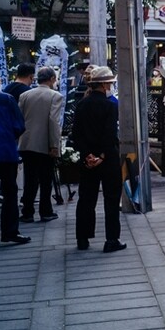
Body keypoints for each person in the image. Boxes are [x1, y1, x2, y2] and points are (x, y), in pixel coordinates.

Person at [71, 66, 126, 253]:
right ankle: (111, 239)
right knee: (111, 198)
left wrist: (88, 155)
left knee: (86, 198)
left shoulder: (81, 105)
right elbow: (109, 134)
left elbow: (76, 134)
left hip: (87, 159)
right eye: (109, 83)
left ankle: (82, 237)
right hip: (107, 157)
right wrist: (101, 156)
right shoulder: (111, 105)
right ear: (103, 84)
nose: (110, 86)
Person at [0, 65, 30, 247]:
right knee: (10, 192)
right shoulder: (6, 99)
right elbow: (19, 125)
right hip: (5, 151)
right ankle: (10, 231)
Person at [18, 67, 64, 223]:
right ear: (51, 79)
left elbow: (20, 118)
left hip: (27, 142)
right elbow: (53, 122)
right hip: (44, 143)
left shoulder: (25, 95)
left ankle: (27, 212)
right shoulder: (55, 96)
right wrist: (54, 145)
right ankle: (45, 211)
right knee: (46, 179)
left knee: (29, 179)